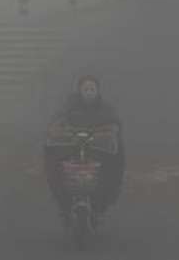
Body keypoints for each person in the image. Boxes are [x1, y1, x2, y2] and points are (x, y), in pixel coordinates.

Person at [43, 75, 125, 226]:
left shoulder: (106, 108)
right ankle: (64, 203)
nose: (88, 92)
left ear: (97, 91)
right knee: (51, 153)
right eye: (85, 89)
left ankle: (103, 203)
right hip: (72, 145)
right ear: (80, 90)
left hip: (97, 146)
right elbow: (57, 121)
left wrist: (108, 132)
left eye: (92, 89)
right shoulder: (69, 107)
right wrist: (58, 131)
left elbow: (115, 123)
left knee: (116, 153)